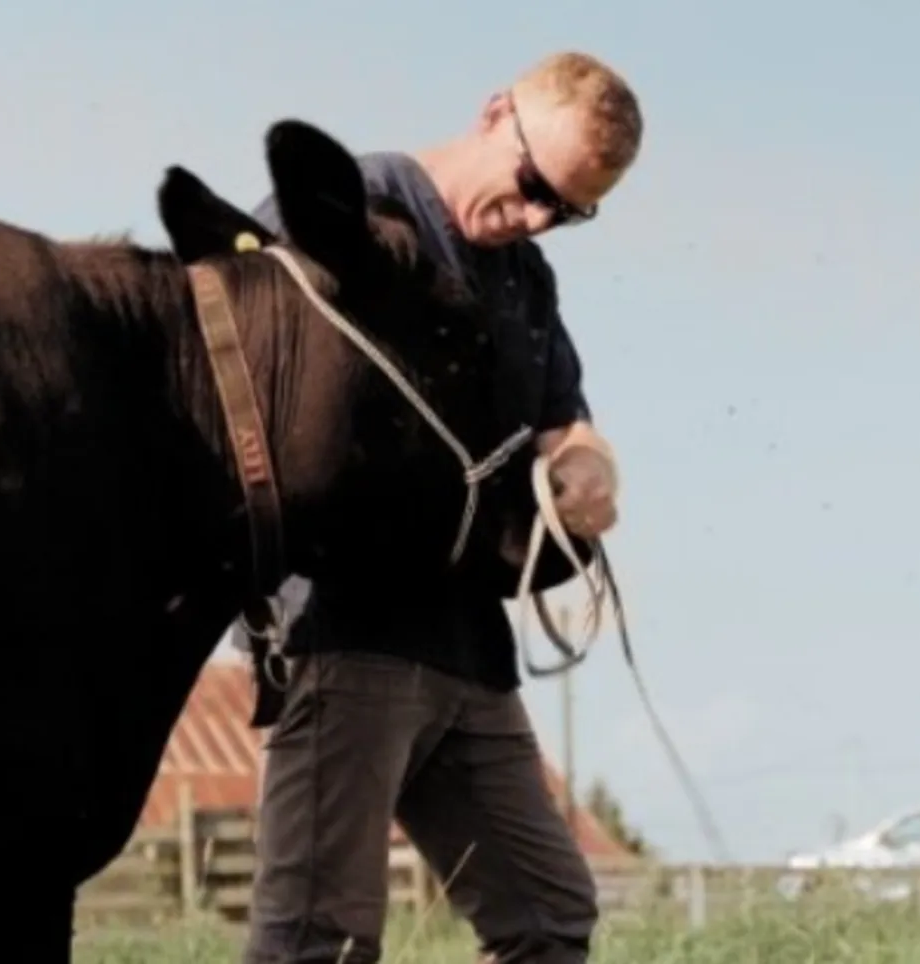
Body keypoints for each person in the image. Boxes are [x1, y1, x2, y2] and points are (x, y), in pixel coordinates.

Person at [236, 51, 643, 964]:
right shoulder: (345, 211)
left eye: (569, 212)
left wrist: (588, 467)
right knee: (317, 940)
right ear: (496, 113)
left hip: (468, 645)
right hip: (343, 630)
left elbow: (566, 420)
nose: (536, 219)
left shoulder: (527, 278)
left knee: (549, 916)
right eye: (534, 186)